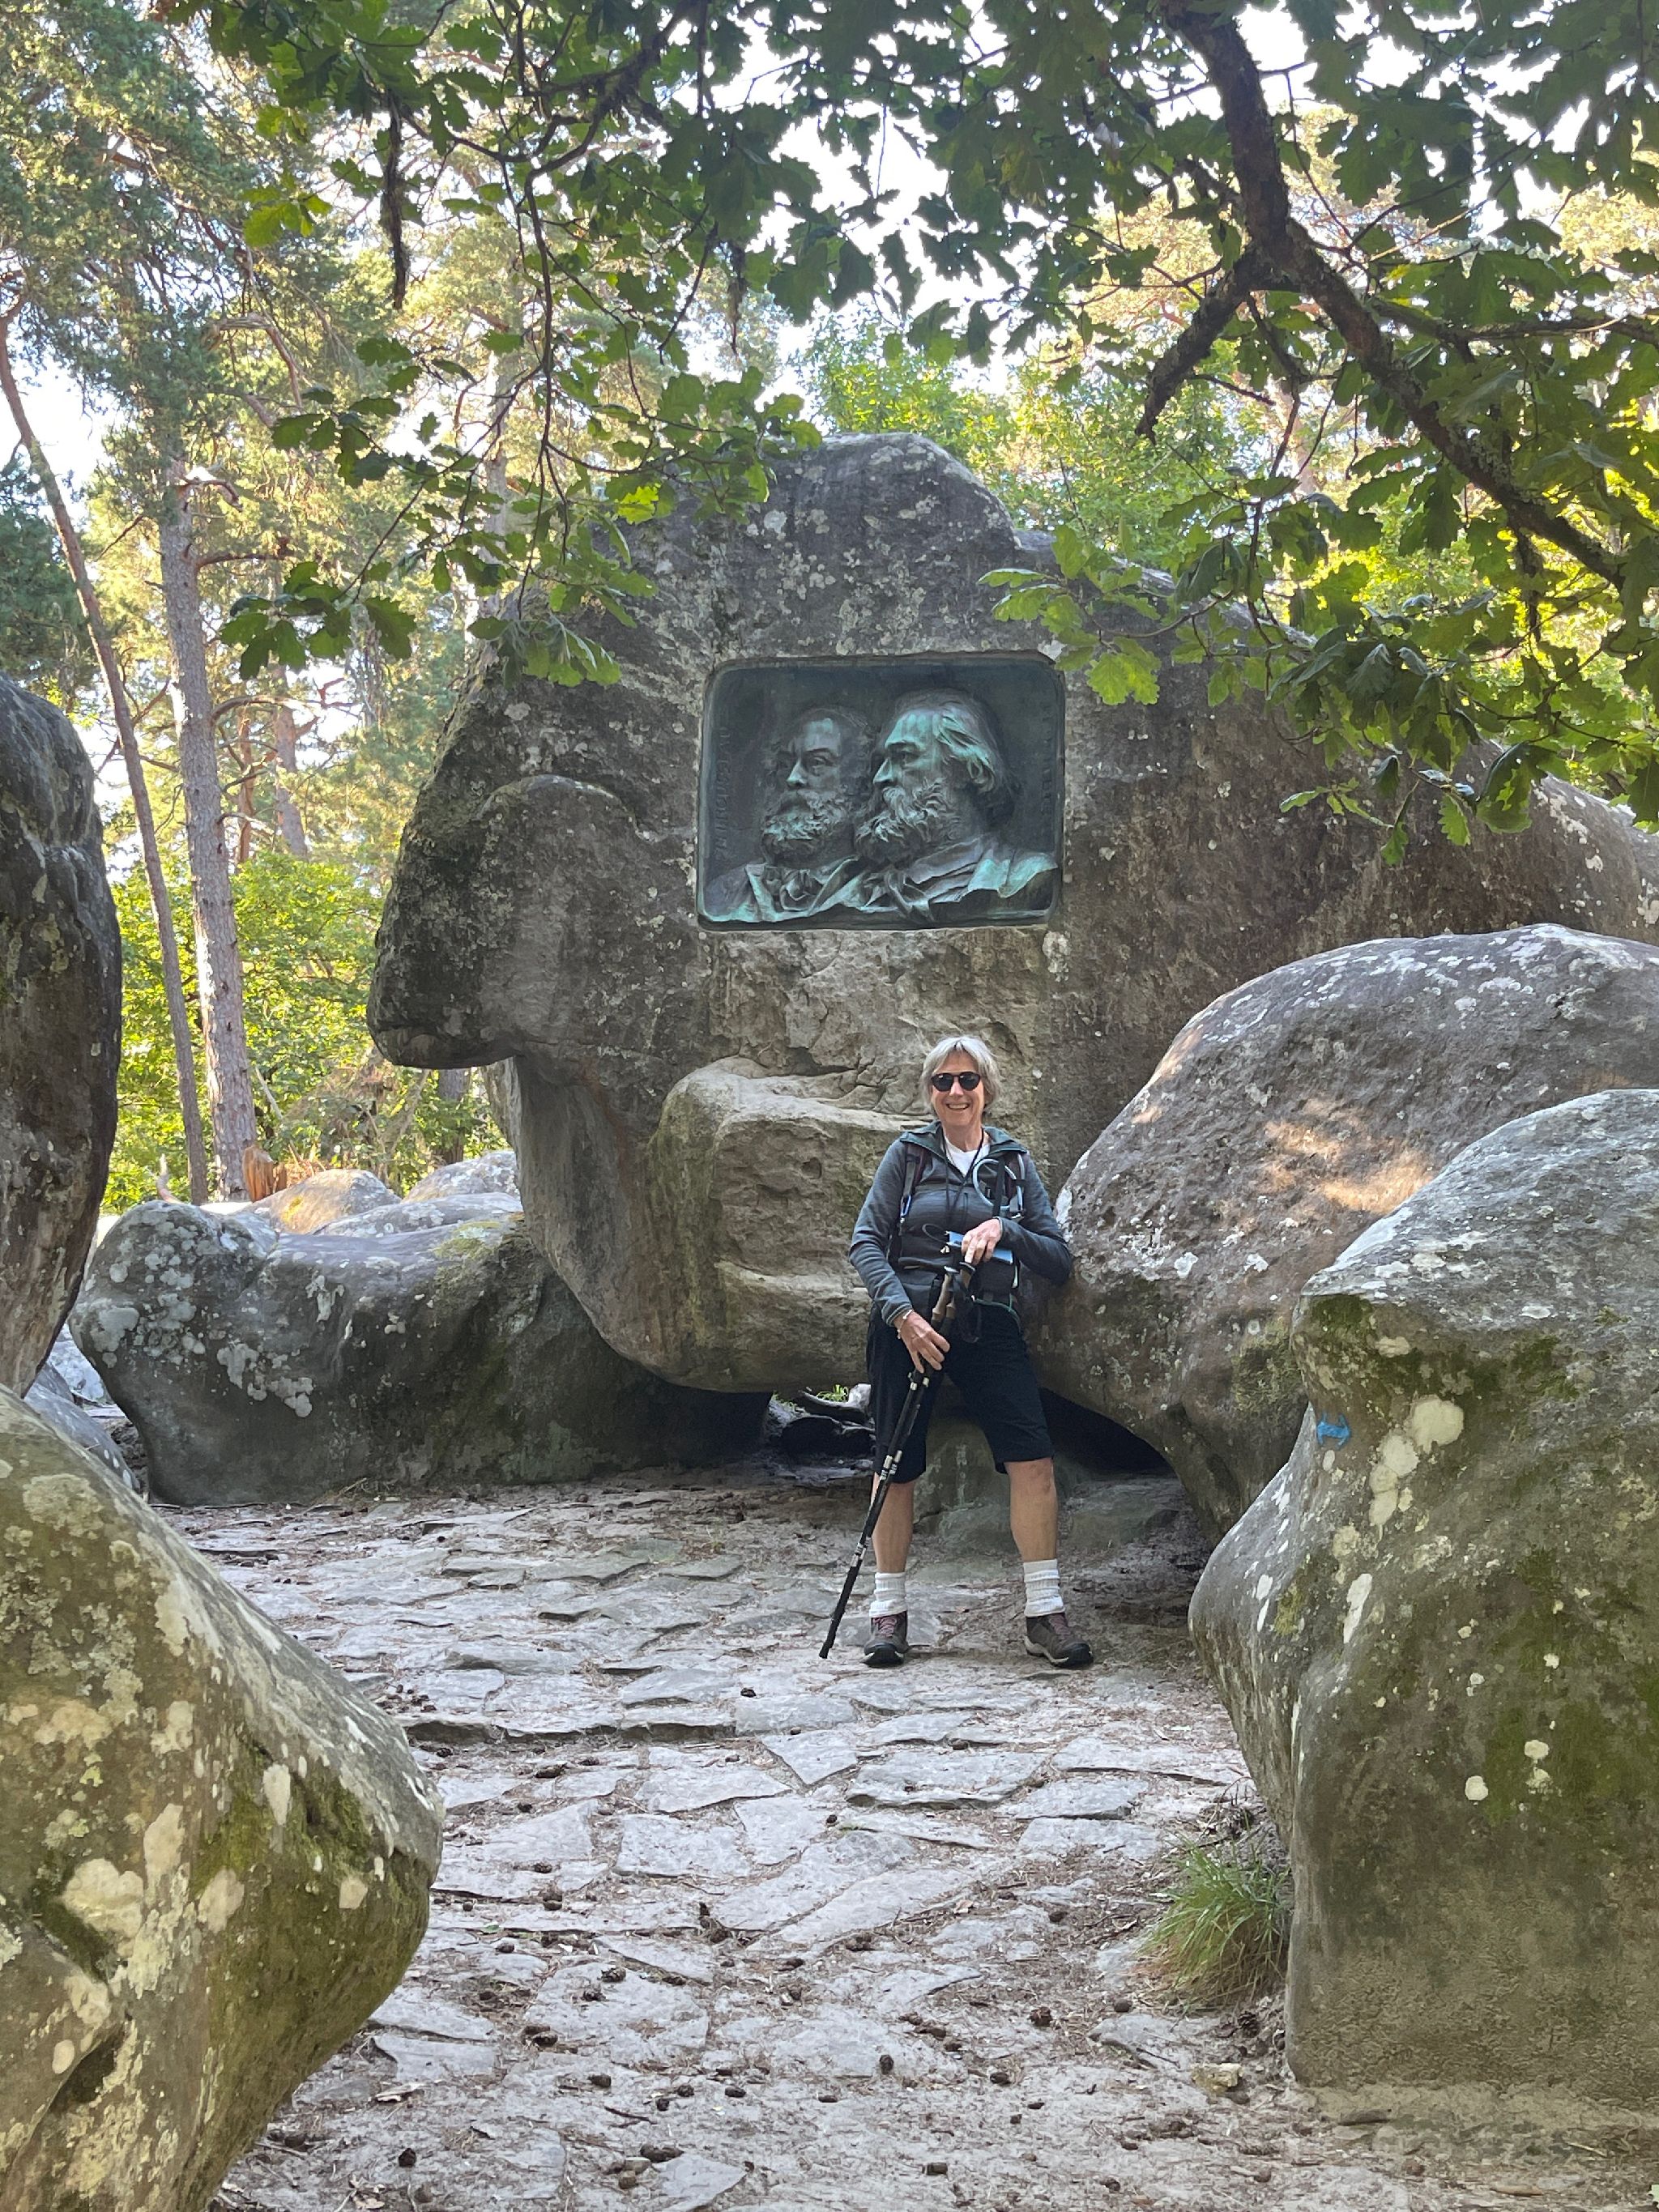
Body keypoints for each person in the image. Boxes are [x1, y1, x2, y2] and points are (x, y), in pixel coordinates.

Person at [847, 1034, 1090, 1669]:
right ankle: (888, 1612)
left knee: (1032, 1457)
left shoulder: (1012, 1161)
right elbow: (866, 1241)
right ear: (930, 1092)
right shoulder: (907, 1155)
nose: (956, 1091)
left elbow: (1057, 1257)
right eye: (943, 1081)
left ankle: (1045, 1610)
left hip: (987, 1320)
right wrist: (901, 1315)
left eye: (967, 1080)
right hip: (911, 1324)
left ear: (987, 1088)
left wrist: (1003, 1227)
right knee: (895, 1463)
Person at [822, 690, 1056, 924]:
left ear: (966, 769)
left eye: (904, 757)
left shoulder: (1023, 875)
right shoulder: (854, 892)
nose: (880, 778)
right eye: (881, 763)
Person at [703, 705, 872, 922]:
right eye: (785, 765)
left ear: (859, 781)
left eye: (816, 763)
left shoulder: (879, 892)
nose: (793, 778)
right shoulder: (725, 894)